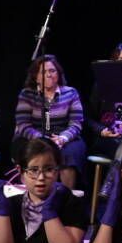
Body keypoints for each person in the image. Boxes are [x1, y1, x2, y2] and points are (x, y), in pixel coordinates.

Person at [12, 53, 88, 190]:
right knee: (30, 152)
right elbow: (23, 125)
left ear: (58, 73)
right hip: (32, 134)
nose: (48, 75)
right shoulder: (27, 94)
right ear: (36, 77)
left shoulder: (71, 93)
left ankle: (66, 200)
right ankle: (32, 201)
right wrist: (43, 139)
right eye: (43, 72)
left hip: (63, 135)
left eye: (52, 71)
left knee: (70, 155)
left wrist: (63, 138)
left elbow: (76, 123)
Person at [88, 42, 122, 161]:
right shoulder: (102, 85)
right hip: (108, 138)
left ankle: (117, 178)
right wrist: (102, 131)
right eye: (120, 59)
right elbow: (88, 118)